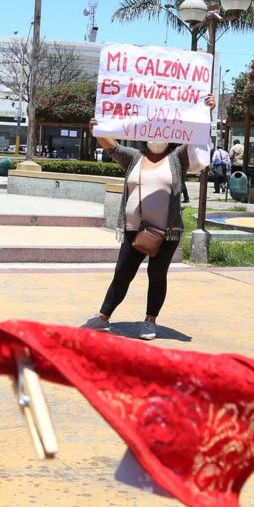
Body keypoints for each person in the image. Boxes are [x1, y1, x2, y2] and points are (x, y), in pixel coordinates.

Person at [80, 94, 215, 340]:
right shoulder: (133, 157)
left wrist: (206, 111)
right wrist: (97, 128)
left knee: (157, 275)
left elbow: (198, 138)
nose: (156, 136)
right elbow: (111, 146)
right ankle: (103, 317)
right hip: (134, 229)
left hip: (167, 231)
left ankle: (150, 321)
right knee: (122, 273)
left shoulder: (178, 158)